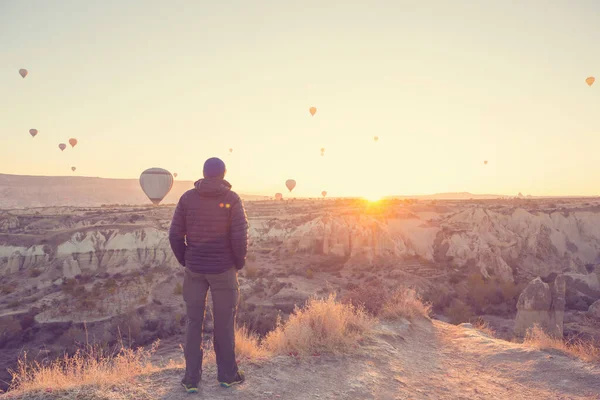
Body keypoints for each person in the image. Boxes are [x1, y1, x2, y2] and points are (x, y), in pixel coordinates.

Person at [169, 157, 248, 393]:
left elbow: (174, 235)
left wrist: (186, 259)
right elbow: (240, 237)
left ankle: (191, 379)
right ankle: (227, 375)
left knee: (194, 323)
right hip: (223, 270)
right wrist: (238, 262)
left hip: (195, 270)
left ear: (203, 173)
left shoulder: (187, 198)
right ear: (224, 174)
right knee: (224, 324)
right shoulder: (232, 199)